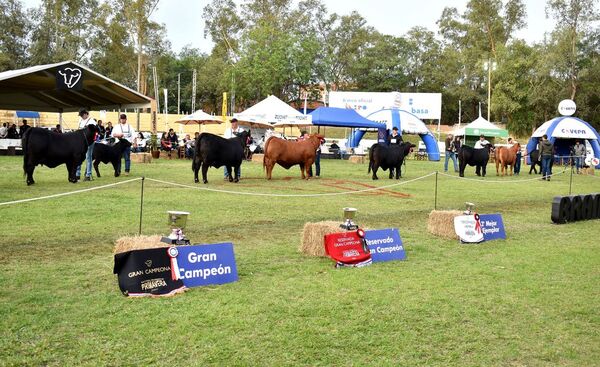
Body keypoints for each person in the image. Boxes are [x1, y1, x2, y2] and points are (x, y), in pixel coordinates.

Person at [75, 109, 97, 181]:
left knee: (88, 157)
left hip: (89, 142)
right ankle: (77, 174)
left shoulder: (92, 121)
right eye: (80, 115)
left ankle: (88, 174)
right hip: (81, 142)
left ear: (86, 114)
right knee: (79, 156)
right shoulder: (80, 120)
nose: (81, 116)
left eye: (82, 115)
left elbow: (94, 132)